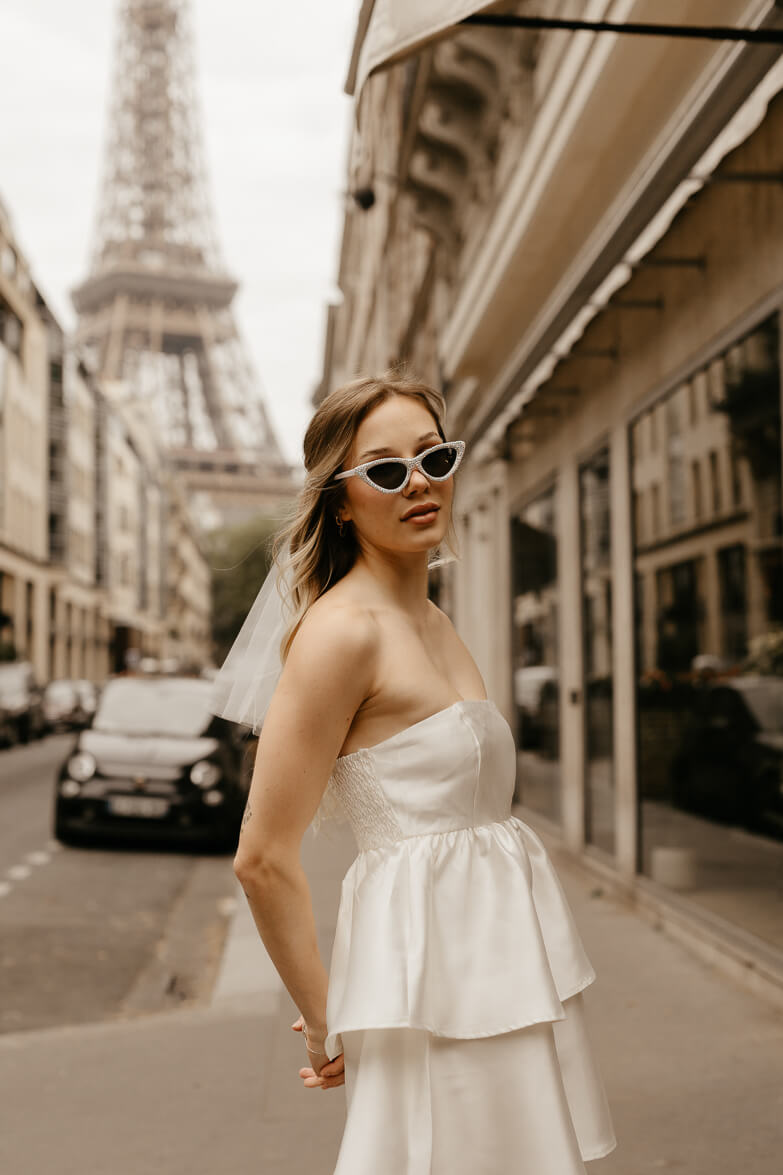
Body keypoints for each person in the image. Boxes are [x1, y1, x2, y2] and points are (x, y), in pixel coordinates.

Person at [215, 372, 617, 1173]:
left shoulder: (432, 618)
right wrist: (324, 1017)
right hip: (428, 977)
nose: (419, 482)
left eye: (433, 457)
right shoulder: (342, 633)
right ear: (339, 500)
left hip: (503, 961)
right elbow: (261, 856)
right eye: (385, 469)